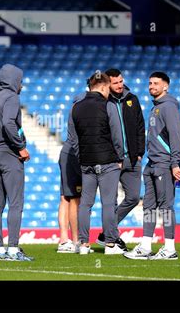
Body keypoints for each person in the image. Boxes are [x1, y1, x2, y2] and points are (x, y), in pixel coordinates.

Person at [124, 71, 180, 261]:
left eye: (156, 83)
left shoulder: (169, 107)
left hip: (165, 164)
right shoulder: (155, 107)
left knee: (166, 207)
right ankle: (146, 245)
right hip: (152, 164)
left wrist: (175, 163)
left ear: (165, 86)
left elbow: (176, 137)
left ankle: (170, 248)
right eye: (150, 83)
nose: (151, 86)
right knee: (149, 207)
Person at [72, 72, 125, 255]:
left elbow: (74, 139)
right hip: (108, 161)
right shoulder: (108, 105)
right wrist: (120, 157)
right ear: (103, 87)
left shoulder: (76, 107)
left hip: (86, 162)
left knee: (85, 204)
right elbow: (117, 135)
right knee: (108, 203)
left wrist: (82, 157)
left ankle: (83, 244)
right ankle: (110, 244)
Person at [0, 64, 33, 261]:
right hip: (9, 154)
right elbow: (8, 123)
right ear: (14, 80)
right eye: (19, 81)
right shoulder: (12, 97)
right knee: (15, 203)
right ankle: (13, 249)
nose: (20, 85)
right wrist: (20, 145)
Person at [94, 68, 145, 251]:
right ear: (108, 84)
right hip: (112, 161)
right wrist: (113, 157)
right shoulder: (102, 102)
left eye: (121, 81)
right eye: (115, 82)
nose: (119, 85)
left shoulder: (132, 99)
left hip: (133, 158)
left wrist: (139, 153)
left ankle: (107, 232)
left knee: (132, 197)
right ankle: (110, 238)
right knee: (111, 201)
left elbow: (140, 127)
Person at [56, 92, 85, 253]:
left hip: (67, 153)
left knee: (65, 198)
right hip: (74, 154)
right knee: (74, 198)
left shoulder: (76, 104)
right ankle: (75, 241)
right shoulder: (82, 105)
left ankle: (64, 240)